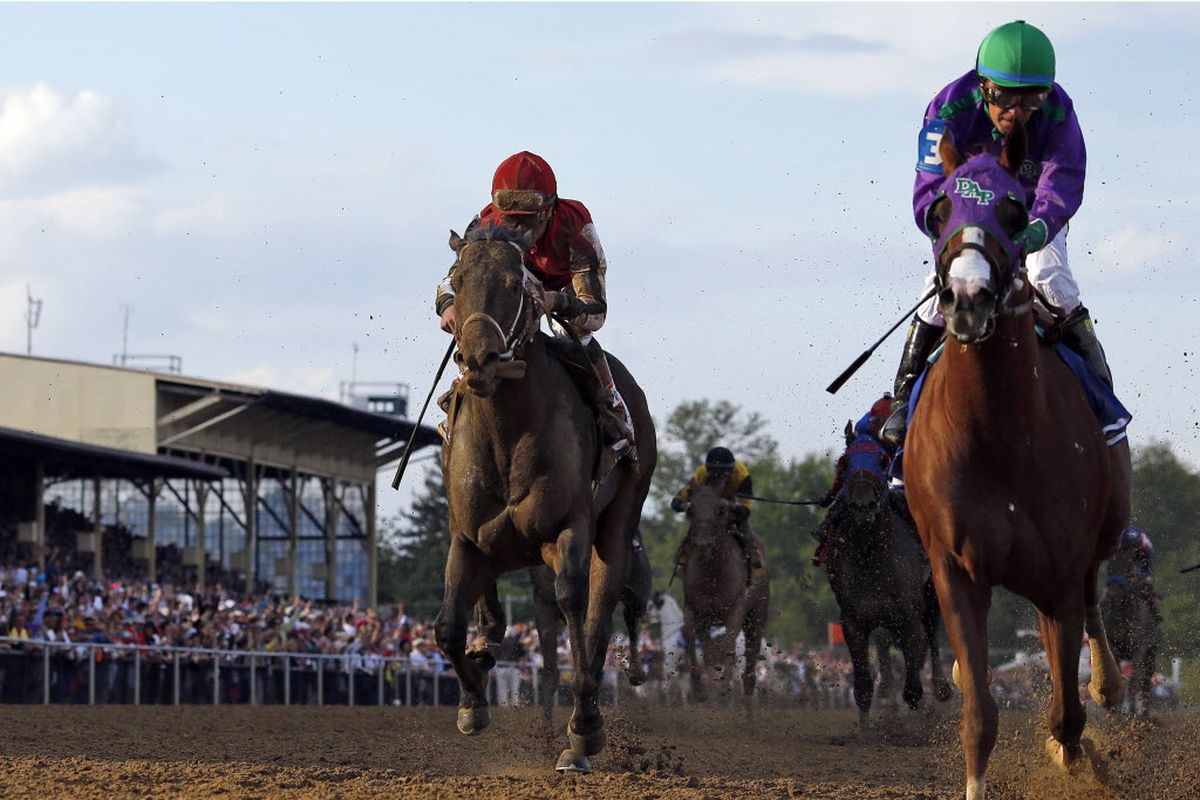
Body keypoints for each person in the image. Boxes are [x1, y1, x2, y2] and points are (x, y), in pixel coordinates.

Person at [882, 20, 1112, 451]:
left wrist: (1034, 231)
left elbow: (1063, 182)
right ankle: (902, 398)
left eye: (1031, 100)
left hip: (1026, 217)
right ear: (983, 84)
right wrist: (952, 235)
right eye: (1004, 97)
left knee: (1052, 279)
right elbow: (929, 191)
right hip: (969, 219)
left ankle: (1102, 397)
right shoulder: (947, 108)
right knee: (939, 290)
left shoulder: (1060, 112)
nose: (1016, 112)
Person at [435, 151, 635, 458]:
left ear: (549, 210)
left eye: (527, 221)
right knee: (484, 320)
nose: (517, 230)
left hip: (565, 285)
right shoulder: (485, 222)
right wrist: (447, 304)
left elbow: (595, 310)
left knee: (570, 335)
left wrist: (556, 302)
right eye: (509, 220)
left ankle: (610, 406)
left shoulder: (576, 227)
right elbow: (453, 280)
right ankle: (458, 397)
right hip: (513, 278)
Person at [811, 395, 895, 567]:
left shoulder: (904, 431)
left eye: (880, 424)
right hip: (875, 476)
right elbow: (846, 471)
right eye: (875, 422)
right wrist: (831, 495)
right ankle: (827, 532)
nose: (876, 426)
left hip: (898, 471)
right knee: (848, 494)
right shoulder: (862, 431)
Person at [670, 446, 761, 577]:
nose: (719, 477)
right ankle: (682, 562)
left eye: (723, 473)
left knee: (745, 529)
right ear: (708, 470)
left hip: (731, 506)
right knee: (697, 525)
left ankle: (754, 561)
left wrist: (730, 505)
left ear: (731, 471)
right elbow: (676, 501)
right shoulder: (701, 474)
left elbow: (745, 511)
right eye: (714, 473)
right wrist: (688, 506)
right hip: (708, 509)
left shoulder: (742, 475)